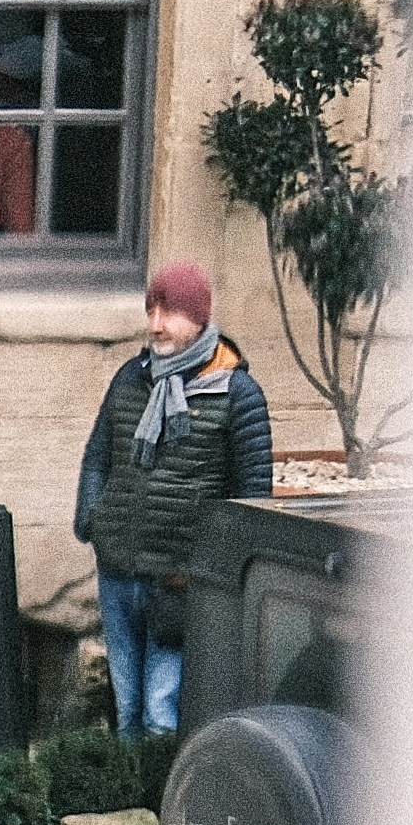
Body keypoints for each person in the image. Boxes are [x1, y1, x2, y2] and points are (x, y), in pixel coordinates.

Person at [73, 262, 274, 741]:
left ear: (200, 319)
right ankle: (129, 810)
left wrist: (209, 566)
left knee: (162, 714)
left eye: (169, 313)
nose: (155, 324)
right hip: (119, 568)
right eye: (151, 310)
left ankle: (165, 808)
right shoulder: (131, 378)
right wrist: (91, 521)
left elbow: (253, 498)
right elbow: (98, 454)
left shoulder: (237, 393)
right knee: (126, 713)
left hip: (179, 582)